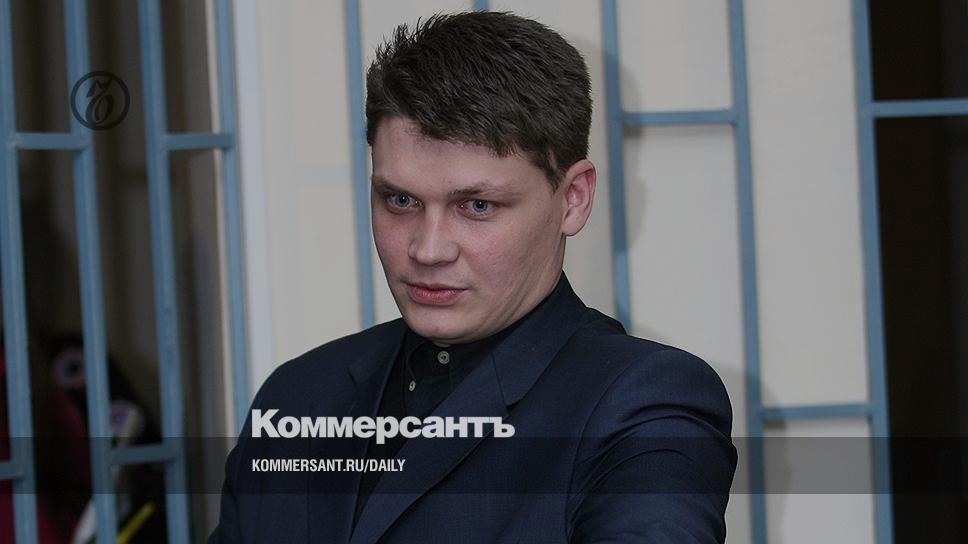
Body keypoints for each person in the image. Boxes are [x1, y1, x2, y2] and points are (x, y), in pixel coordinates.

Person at [211, 11, 736, 543]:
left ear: (573, 199)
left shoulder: (645, 404)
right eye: (400, 200)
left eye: (477, 205)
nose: (428, 249)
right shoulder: (297, 396)